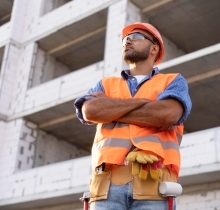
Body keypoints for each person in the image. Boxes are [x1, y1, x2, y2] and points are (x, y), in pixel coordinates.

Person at [74, 22, 192, 210]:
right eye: (125, 39)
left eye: (135, 37)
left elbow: (169, 114)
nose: (128, 41)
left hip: (155, 185)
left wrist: (112, 111)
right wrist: (144, 103)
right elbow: (91, 111)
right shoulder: (105, 83)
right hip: (107, 185)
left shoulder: (173, 81)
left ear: (154, 48)